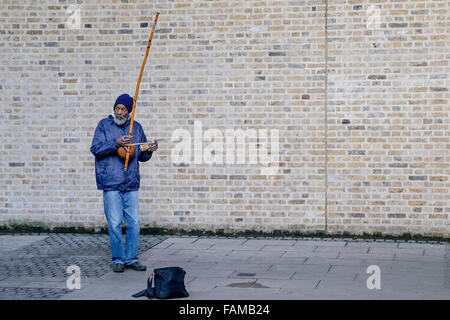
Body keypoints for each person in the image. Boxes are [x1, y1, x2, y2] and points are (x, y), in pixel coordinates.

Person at [90, 93, 158, 272]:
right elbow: (95, 149)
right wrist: (116, 143)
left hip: (131, 182)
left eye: (123, 109)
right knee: (114, 223)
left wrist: (148, 150)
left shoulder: (136, 127)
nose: (119, 112)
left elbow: (141, 156)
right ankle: (118, 259)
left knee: (134, 223)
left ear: (129, 111)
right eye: (117, 108)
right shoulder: (104, 125)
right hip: (111, 181)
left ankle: (131, 258)